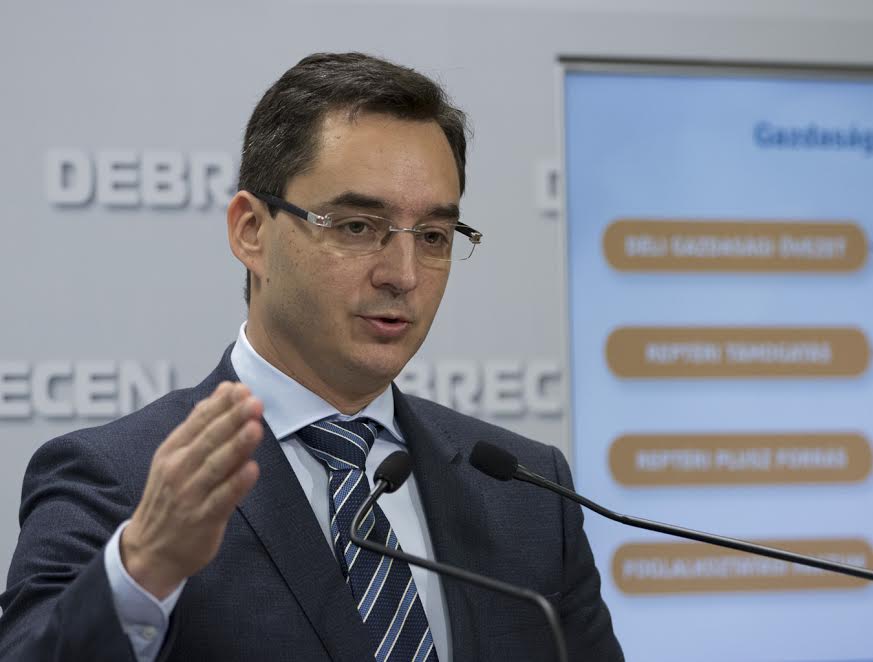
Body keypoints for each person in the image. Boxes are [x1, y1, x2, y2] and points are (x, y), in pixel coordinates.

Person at [0, 53, 623, 662]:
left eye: (433, 236)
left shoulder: (528, 495)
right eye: (357, 226)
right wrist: (143, 569)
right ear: (251, 231)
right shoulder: (120, 481)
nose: (403, 274)